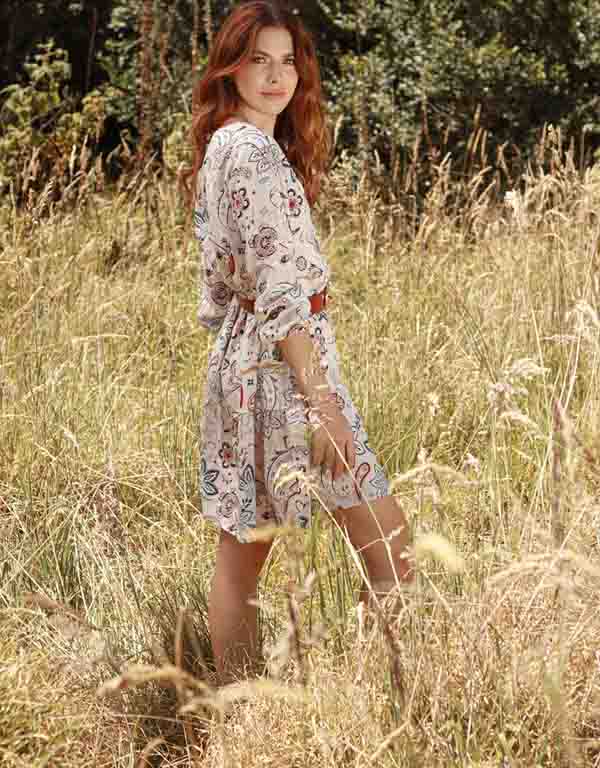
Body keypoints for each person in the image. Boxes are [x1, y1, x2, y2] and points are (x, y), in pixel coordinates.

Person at [187, 0, 412, 685]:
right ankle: (391, 701)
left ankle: (239, 718)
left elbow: (219, 291)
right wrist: (323, 404)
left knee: (241, 556)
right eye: (259, 59)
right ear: (230, 68)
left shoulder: (222, 146)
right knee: (390, 546)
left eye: (287, 61)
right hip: (290, 369)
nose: (276, 75)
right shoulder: (252, 153)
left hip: (244, 359)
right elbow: (282, 293)